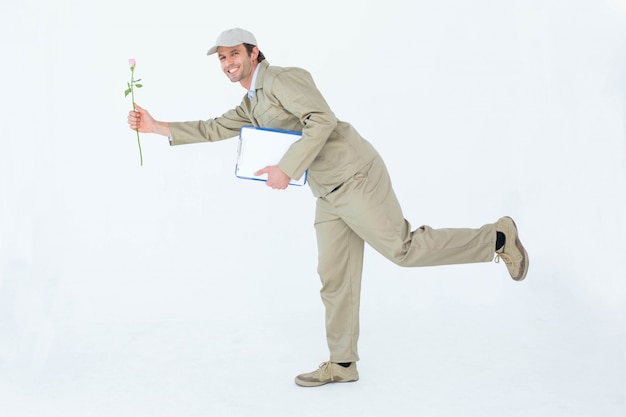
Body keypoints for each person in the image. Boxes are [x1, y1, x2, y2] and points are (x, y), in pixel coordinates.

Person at [127, 27, 529, 387]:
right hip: (328, 191)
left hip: (355, 175)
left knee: (402, 250)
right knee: (334, 277)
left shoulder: (284, 78)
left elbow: (321, 119)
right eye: (222, 57)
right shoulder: (253, 101)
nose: (228, 62)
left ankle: (497, 237)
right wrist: (156, 126)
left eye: (234, 54)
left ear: (254, 53)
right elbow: (215, 127)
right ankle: (342, 363)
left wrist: (286, 169)